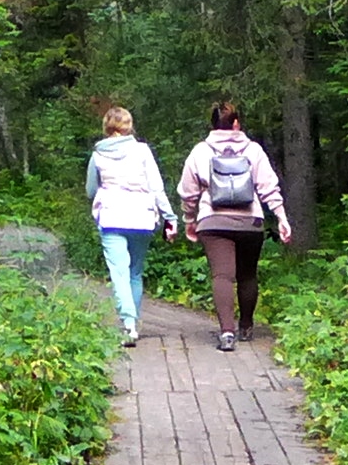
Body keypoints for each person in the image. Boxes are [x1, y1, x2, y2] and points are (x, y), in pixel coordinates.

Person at [175, 99, 293, 351]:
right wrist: (281, 217)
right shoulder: (254, 150)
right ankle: (246, 326)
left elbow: (188, 192)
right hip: (250, 221)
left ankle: (227, 333)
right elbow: (268, 187)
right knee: (247, 274)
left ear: (213, 124)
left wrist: (189, 219)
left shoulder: (200, 151)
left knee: (222, 275)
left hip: (213, 221)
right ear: (236, 123)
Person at [80, 102, 180, 345]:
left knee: (119, 273)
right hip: (141, 217)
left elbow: (91, 190)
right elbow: (156, 188)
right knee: (135, 272)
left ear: (106, 127)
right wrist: (170, 217)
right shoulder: (143, 151)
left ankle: (128, 325)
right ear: (129, 127)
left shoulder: (97, 154)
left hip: (112, 217)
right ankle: (132, 322)